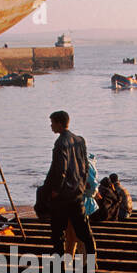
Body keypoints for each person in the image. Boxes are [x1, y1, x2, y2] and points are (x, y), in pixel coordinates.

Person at [43, 110, 96, 259]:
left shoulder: (61, 143)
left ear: (59, 123)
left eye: (52, 123)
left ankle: (60, 262)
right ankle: (92, 260)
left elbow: (61, 170)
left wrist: (55, 190)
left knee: (58, 232)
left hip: (63, 196)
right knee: (83, 230)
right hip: (77, 193)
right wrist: (81, 184)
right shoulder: (80, 140)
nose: (51, 126)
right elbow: (85, 166)